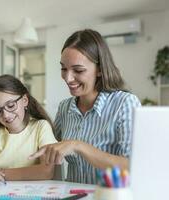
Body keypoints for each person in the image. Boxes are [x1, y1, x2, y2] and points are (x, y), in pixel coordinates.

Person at [29, 29, 141, 184]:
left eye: (78, 70)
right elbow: (50, 151)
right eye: (63, 68)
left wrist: (78, 145)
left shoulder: (125, 103)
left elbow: (134, 166)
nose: (68, 78)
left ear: (100, 69)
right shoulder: (65, 108)